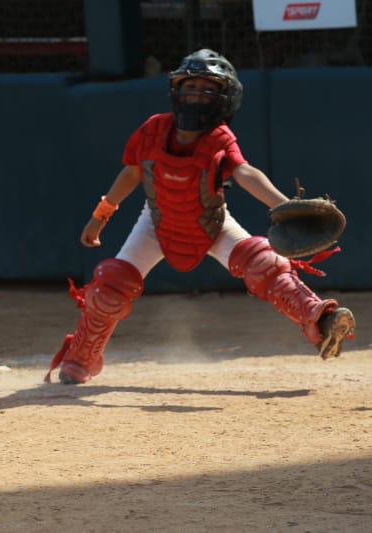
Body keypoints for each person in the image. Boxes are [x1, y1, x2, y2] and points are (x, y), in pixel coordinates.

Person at [46, 48, 355, 385]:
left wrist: (283, 206)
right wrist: (101, 214)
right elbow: (131, 173)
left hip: (210, 222)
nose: (195, 95)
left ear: (223, 97)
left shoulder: (219, 137)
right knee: (109, 288)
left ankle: (320, 320)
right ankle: (82, 357)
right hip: (157, 222)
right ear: (176, 91)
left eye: (206, 89)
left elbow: (244, 172)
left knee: (264, 265)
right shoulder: (153, 129)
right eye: (189, 87)